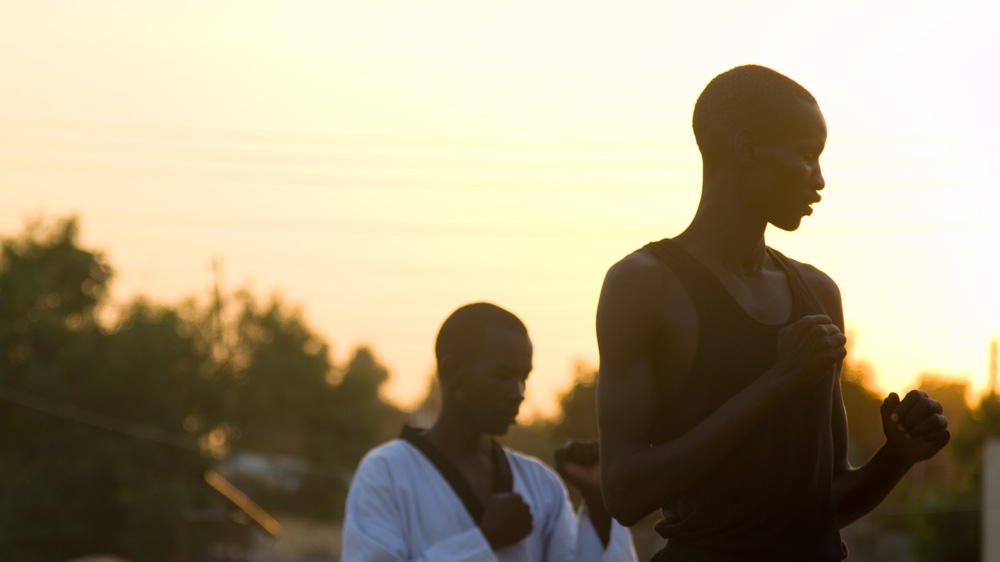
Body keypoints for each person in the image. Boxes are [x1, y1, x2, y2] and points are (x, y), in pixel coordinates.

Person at [595, 65, 951, 561]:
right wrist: (774, 382)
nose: (820, 179)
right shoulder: (644, 284)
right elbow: (624, 495)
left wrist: (897, 455)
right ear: (746, 148)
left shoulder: (818, 292)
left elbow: (826, 501)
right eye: (807, 156)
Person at [342, 302, 637, 562]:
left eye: (524, 378)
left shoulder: (540, 484)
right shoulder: (386, 473)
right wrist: (484, 540)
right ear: (453, 372)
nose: (519, 393)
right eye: (504, 376)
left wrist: (598, 502)